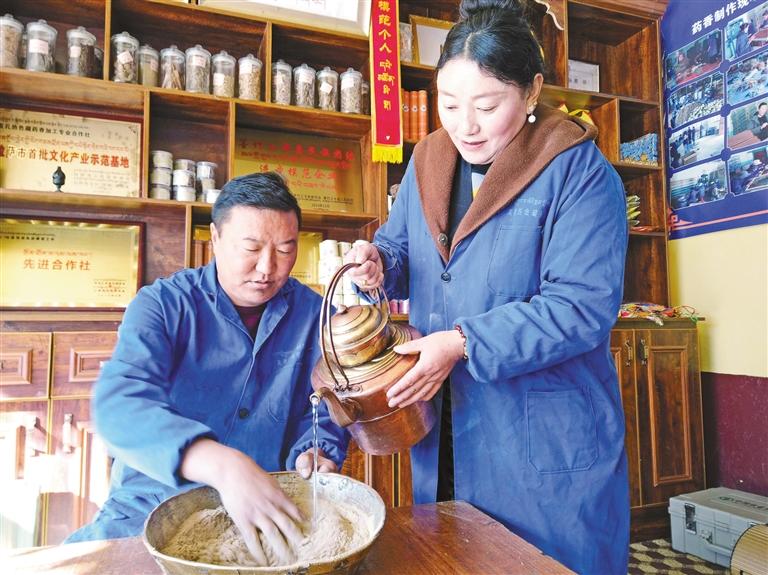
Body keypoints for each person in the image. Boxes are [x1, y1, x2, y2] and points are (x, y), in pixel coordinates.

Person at [345, 1, 629, 573]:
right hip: (447, 421)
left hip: (538, 432)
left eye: (487, 105)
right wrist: (378, 263)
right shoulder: (428, 159)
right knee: (451, 556)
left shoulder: (576, 169)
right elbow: (404, 247)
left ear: (532, 91)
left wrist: (462, 342)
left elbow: (580, 306)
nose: (465, 125)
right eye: (449, 104)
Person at [65, 172, 350, 566]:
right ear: (215, 237)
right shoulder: (163, 305)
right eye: (251, 248)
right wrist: (219, 464)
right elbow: (119, 404)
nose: (267, 267)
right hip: (151, 506)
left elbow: (324, 406)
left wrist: (315, 450)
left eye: (285, 250)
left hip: (265, 510)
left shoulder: (316, 316)